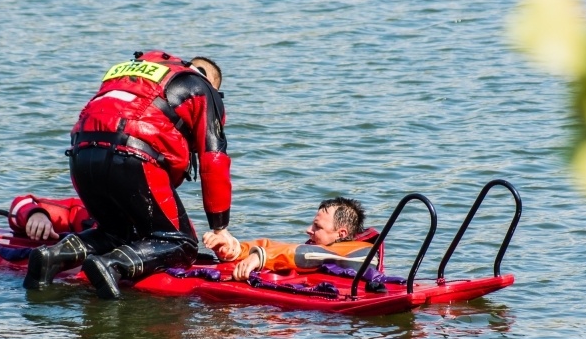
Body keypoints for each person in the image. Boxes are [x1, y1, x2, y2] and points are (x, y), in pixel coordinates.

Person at [22, 50, 236, 299]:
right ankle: (113, 265)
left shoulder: (138, 74)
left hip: (81, 153)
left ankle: (53, 257)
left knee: (117, 233)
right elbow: (214, 160)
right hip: (134, 155)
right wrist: (220, 228)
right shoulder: (201, 87)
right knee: (182, 243)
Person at [202, 197, 379, 281]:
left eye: (317, 227)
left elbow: (305, 254)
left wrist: (260, 258)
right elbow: (277, 246)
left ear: (341, 233)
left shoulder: (362, 253)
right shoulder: (327, 247)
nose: (309, 230)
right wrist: (234, 249)